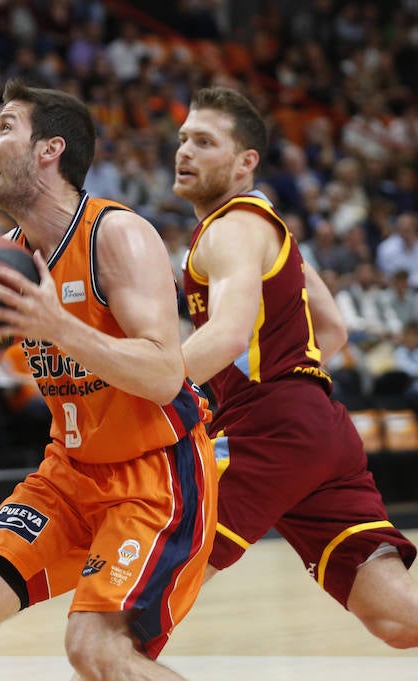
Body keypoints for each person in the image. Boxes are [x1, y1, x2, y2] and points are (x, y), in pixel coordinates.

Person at [0, 80, 216, 681]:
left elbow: (166, 374)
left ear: (49, 150)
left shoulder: (117, 234)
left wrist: (57, 324)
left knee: (95, 648)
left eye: (4, 126)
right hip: (66, 475)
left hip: (155, 476)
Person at [175, 86, 418, 649]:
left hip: (271, 429)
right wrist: (289, 390)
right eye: (183, 138)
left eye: (204, 142)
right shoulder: (271, 228)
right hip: (321, 427)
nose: (184, 151)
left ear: (245, 162)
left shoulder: (231, 228)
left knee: (153, 588)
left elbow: (229, 334)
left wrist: (146, 387)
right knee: (396, 618)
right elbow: (331, 329)